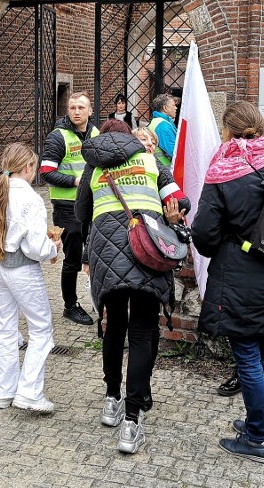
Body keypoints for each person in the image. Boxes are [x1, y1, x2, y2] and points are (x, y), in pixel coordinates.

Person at [192, 102, 264, 464]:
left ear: (227, 132)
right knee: (262, 351)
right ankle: (263, 423)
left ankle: (257, 438)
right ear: (260, 129)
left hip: (239, 275)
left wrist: (232, 234)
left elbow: (205, 236)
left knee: (247, 354)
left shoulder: (223, 171)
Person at [75, 118, 189, 454]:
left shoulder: (92, 167)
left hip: (107, 254)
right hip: (147, 252)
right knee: (142, 330)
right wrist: (167, 213)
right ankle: (131, 420)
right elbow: (181, 204)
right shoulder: (150, 160)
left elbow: (82, 212)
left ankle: (112, 398)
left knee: (114, 327)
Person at [0, 143, 62, 413]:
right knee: (41, 330)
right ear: (29, 168)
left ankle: (4, 392)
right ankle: (29, 391)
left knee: (6, 329)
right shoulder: (30, 198)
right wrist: (53, 247)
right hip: (22, 269)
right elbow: (36, 247)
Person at [40, 91, 99, 326]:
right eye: (72, 107)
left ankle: (98, 300)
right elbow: (46, 172)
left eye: (81, 108)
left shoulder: (96, 134)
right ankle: (70, 305)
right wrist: (76, 181)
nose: (76, 112)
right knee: (73, 257)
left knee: (95, 252)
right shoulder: (58, 137)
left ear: (90, 111)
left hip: (94, 203)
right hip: (67, 206)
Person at [147, 93, 178, 166]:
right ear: (165, 108)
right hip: (166, 168)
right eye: (173, 105)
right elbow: (174, 152)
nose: (176, 108)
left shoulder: (157, 122)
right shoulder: (163, 126)